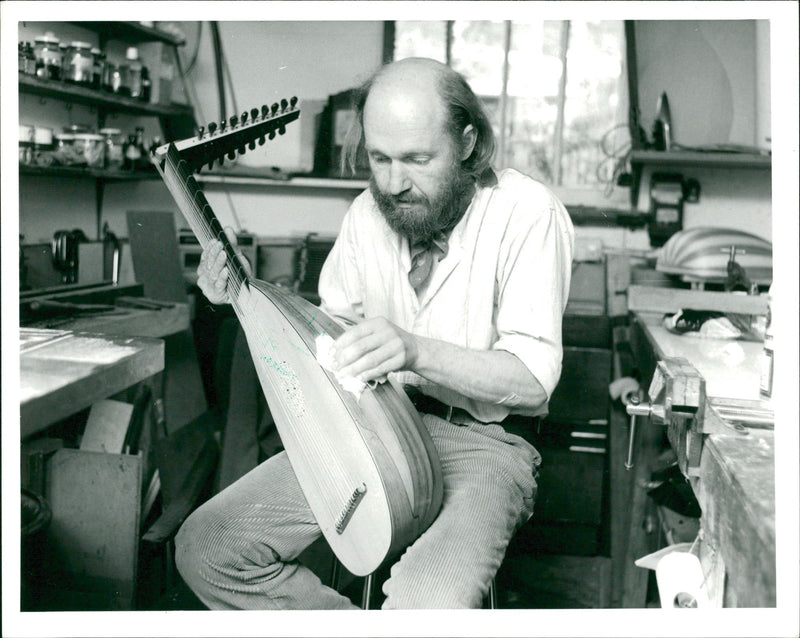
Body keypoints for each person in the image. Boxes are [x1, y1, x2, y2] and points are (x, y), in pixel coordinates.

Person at [176, 56, 574, 609]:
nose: (393, 183)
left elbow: (532, 382)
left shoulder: (528, 214)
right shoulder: (367, 213)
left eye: (416, 159)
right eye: (380, 158)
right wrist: (244, 297)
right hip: (374, 425)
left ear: (466, 142)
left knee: (424, 605)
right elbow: (330, 344)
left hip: (488, 442)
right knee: (208, 547)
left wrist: (414, 349)